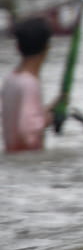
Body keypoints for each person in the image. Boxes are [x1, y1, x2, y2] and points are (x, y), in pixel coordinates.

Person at [3, 16, 52, 153]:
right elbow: (26, 130)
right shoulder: (30, 84)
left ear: (18, 47)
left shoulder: (10, 80)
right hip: (29, 160)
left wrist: (46, 111)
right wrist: (46, 120)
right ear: (47, 48)